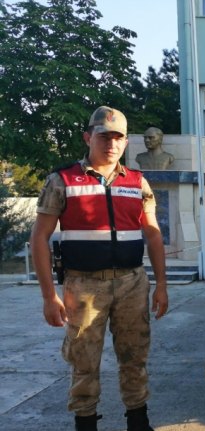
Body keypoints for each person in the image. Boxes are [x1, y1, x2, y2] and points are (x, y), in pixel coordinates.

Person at [30, 106, 169, 431]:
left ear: (125, 142)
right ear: (88, 137)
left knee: (134, 356)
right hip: (83, 286)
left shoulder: (137, 182)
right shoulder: (62, 180)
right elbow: (39, 238)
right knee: (83, 359)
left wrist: (161, 283)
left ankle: (138, 420)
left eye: (118, 137)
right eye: (104, 136)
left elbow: (152, 233)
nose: (111, 143)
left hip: (132, 282)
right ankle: (86, 422)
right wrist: (49, 296)